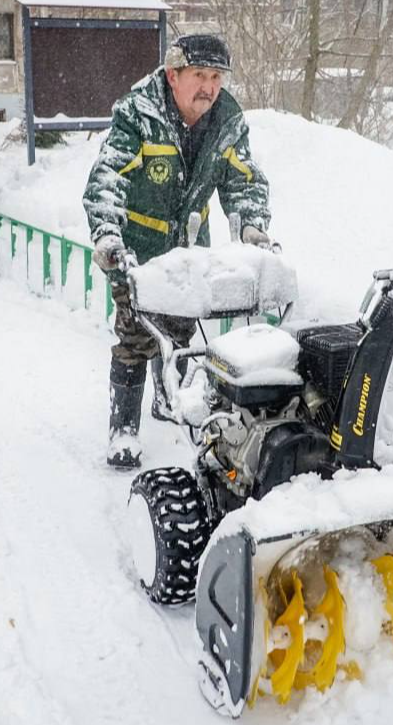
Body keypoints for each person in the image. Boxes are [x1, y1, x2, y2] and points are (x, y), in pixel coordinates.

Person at [82, 33, 273, 469]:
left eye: (216, 77)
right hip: (138, 249)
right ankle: (123, 430)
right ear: (173, 75)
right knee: (135, 336)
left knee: (181, 332)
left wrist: (251, 226)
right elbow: (108, 179)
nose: (208, 86)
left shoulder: (227, 120)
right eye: (198, 76)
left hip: (189, 248)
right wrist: (108, 236)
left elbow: (242, 179)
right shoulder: (139, 114)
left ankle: (169, 400)